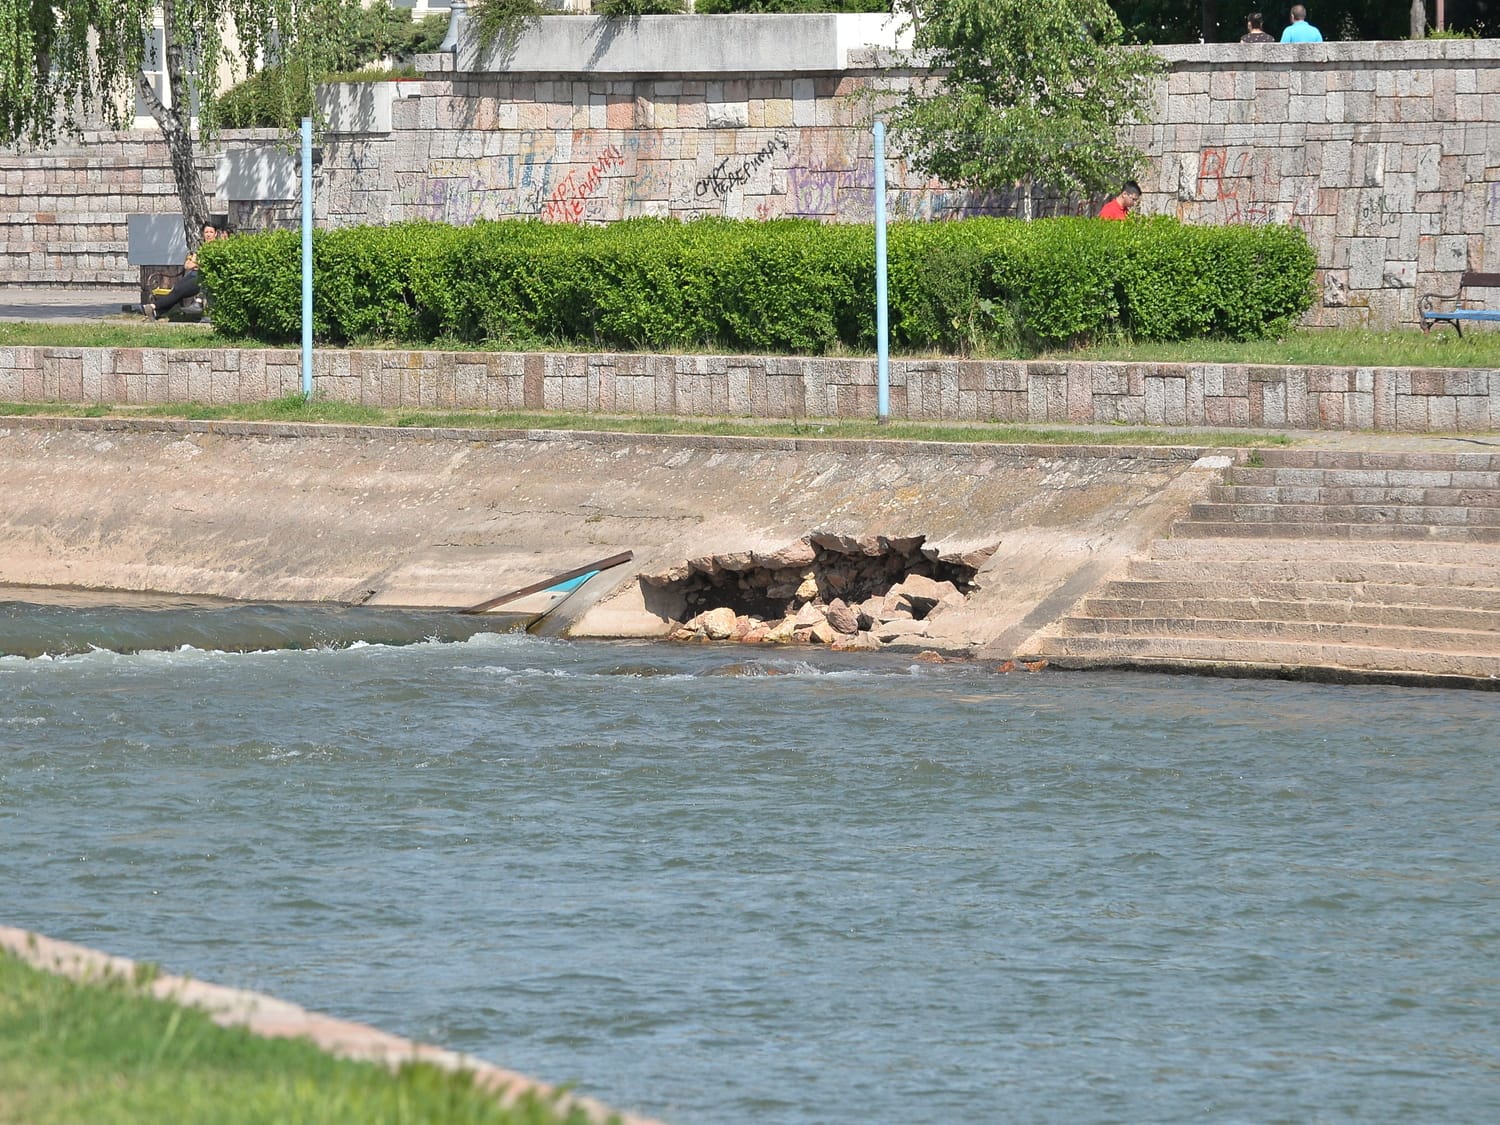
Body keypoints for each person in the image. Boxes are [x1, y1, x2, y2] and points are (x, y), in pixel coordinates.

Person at [144, 222, 219, 319]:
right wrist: (198, 264)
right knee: (176, 290)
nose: (208, 234)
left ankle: (153, 306)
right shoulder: (200, 248)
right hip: (192, 274)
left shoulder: (217, 248)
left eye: (211, 232)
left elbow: (208, 265)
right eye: (206, 232)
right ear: (203, 234)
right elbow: (187, 265)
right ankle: (157, 312)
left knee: (178, 290)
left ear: (216, 234)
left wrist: (197, 264)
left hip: (202, 278)